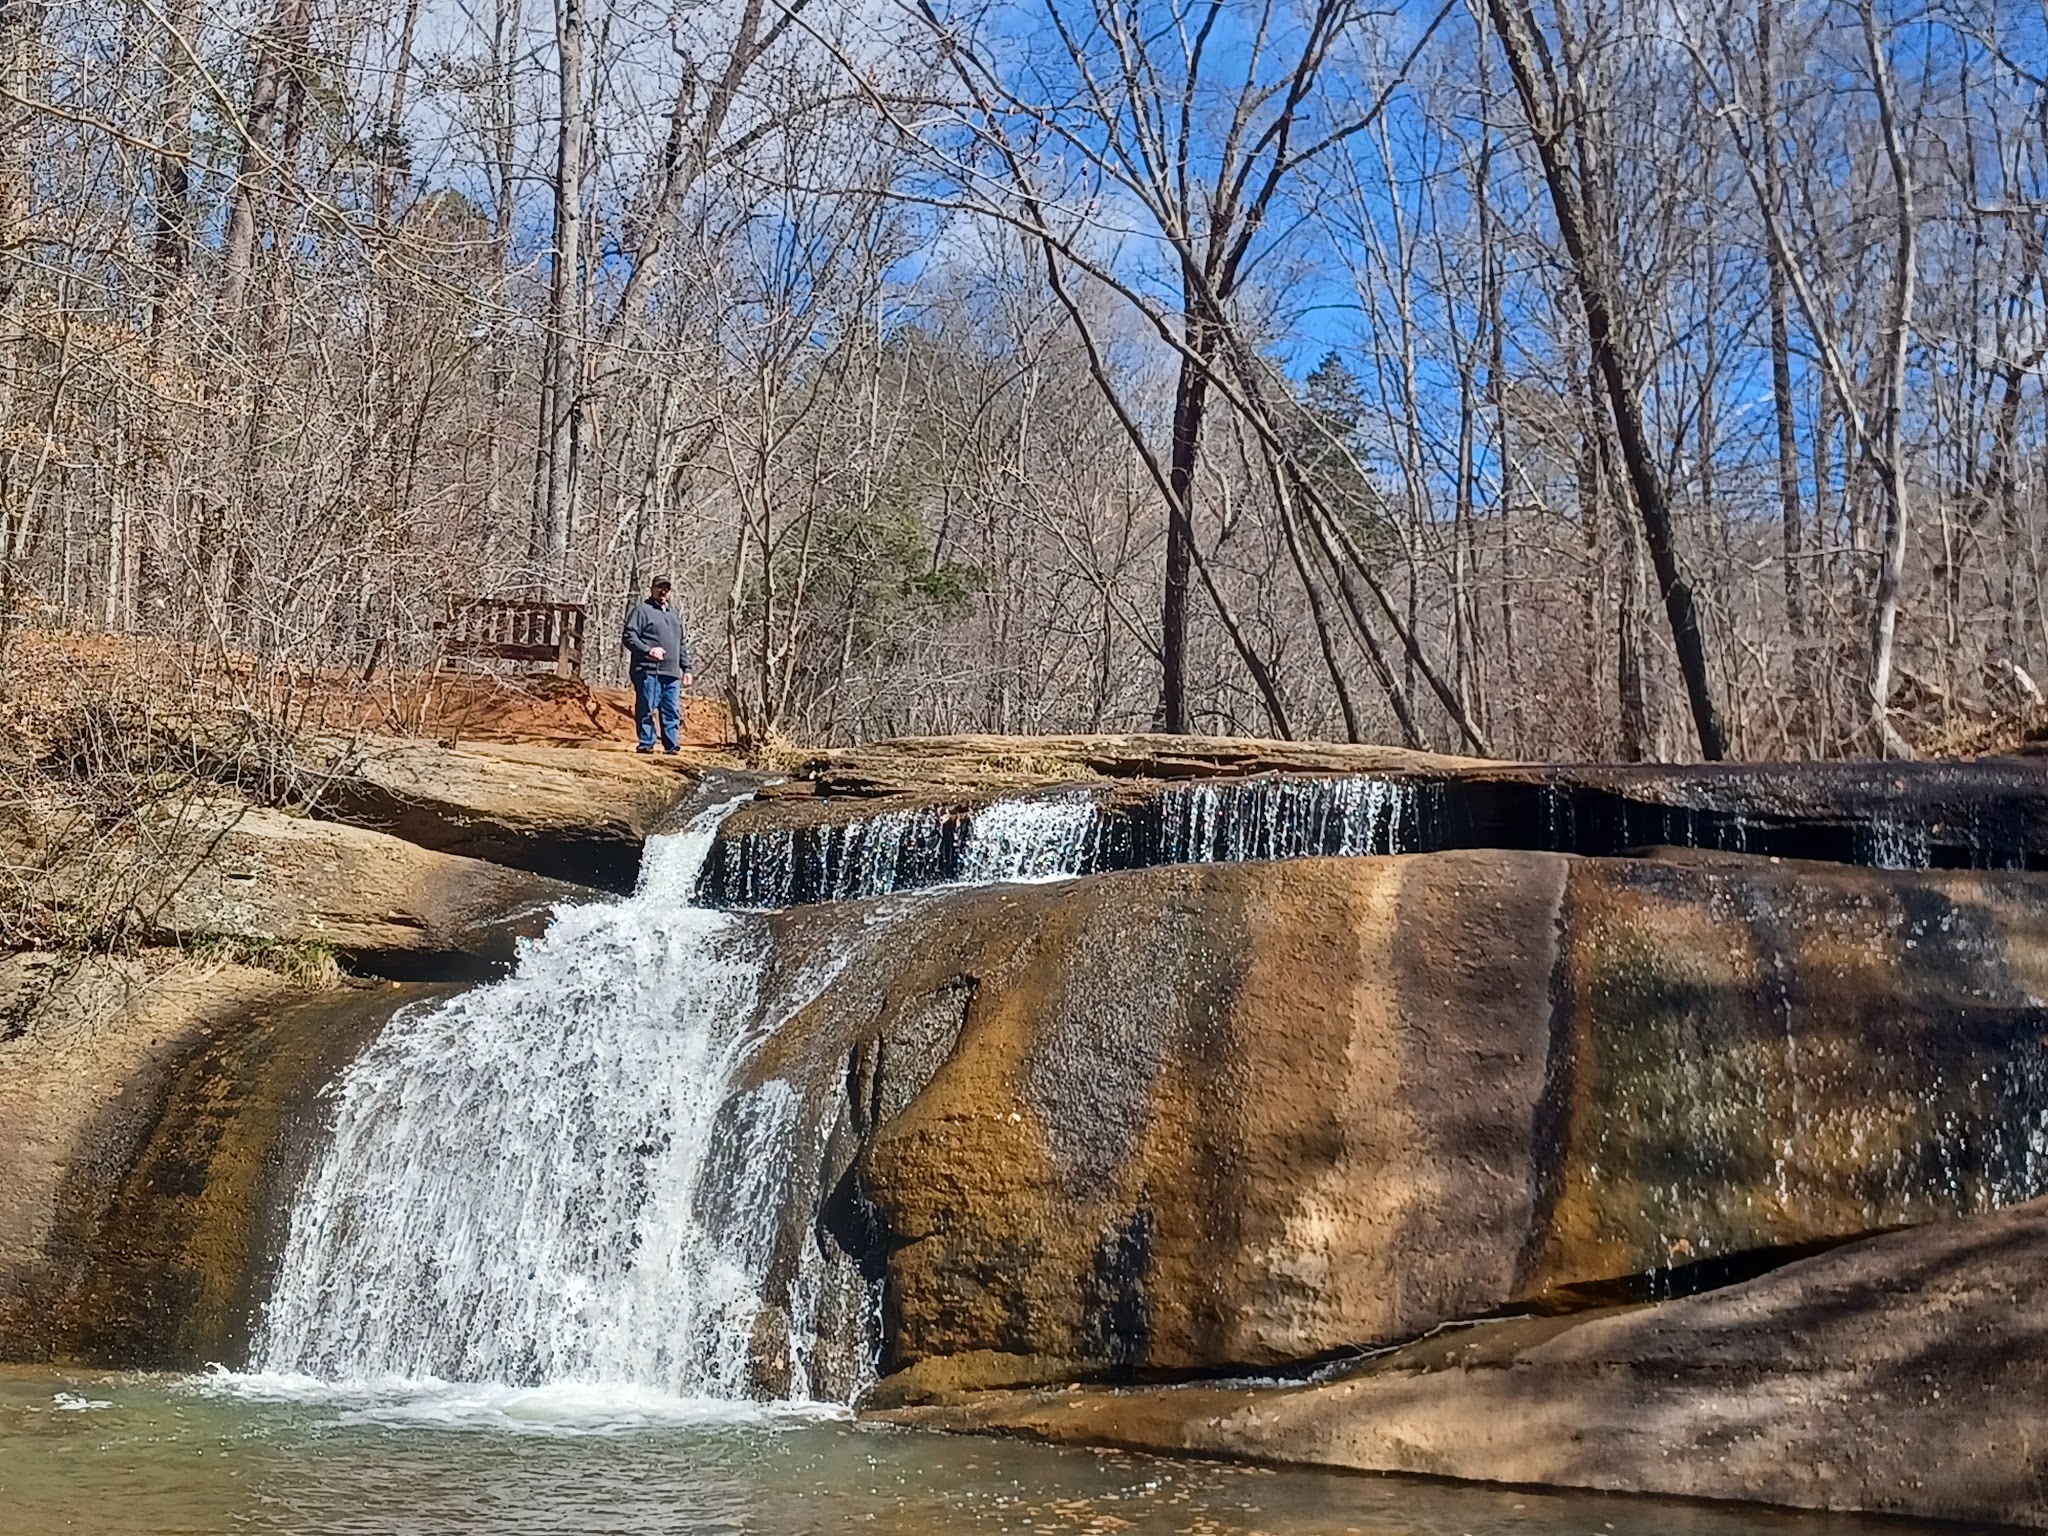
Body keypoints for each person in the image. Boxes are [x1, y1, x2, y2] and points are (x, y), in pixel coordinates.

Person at [621, 576, 693, 754]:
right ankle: (646, 744)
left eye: (667, 589)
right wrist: (648, 650)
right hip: (648, 670)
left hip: (671, 673)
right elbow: (629, 637)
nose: (663, 592)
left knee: (671, 710)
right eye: (660, 588)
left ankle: (672, 746)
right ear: (652, 589)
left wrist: (687, 668)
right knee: (647, 708)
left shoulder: (673, 614)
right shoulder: (642, 611)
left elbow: (680, 643)